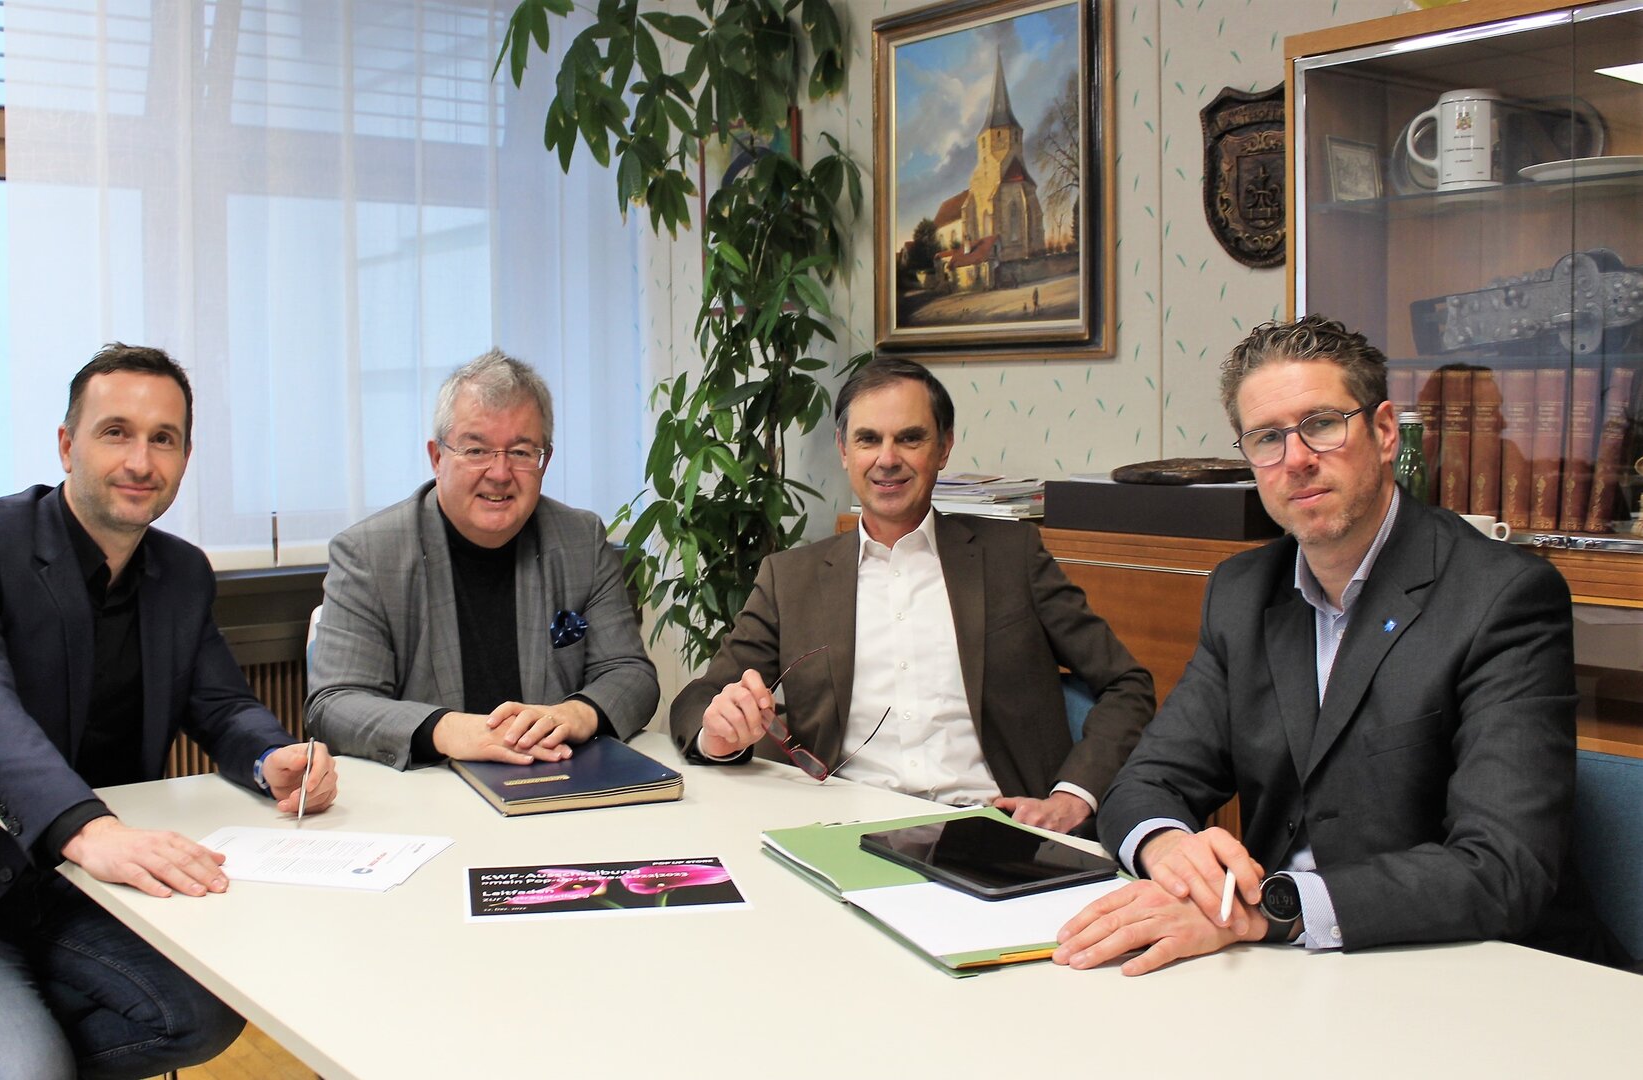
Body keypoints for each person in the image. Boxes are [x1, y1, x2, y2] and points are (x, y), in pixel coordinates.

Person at [0, 344, 339, 1077]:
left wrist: (270, 756)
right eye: (115, 431)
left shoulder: (180, 573)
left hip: (78, 895)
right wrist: (83, 828)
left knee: (202, 1016)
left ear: (186, 458)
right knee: (25, 1069)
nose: (140, 460)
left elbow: (221, 704)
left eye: (164, 439)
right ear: (67, 445)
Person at [1054, 315, 1624, 975]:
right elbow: (1146, 781)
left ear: (1383, 433)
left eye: (1321, 424)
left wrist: (1270, 909)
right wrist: (1166, 848)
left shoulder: (1502, 597)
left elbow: (1501, 869)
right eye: (1266, 438)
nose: (1294, 459)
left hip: (1470, 970)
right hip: (1279, 968)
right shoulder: (1242, 592)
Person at [669, 358, 1154, 829]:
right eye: (868, 439)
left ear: (943, 448)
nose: (887, 459)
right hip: (845, 826)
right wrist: (718, 731)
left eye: (910, 438)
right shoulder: (790, 579)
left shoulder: (1013, 557)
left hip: (994, 825)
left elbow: (1127, 685)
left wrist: (1073, 794)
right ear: (843, 450)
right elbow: (698, 699)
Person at [307, 349, 658, 770]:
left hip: (554, 784)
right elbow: (334, 704)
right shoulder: (369, 553)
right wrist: (446, 729)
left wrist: (573, 714)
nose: (499, 472)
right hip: (428, 795)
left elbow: (631, 674)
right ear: (437, 458)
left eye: (522, 452)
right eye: (476, 451)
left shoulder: (580, 540)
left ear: (544, 461)